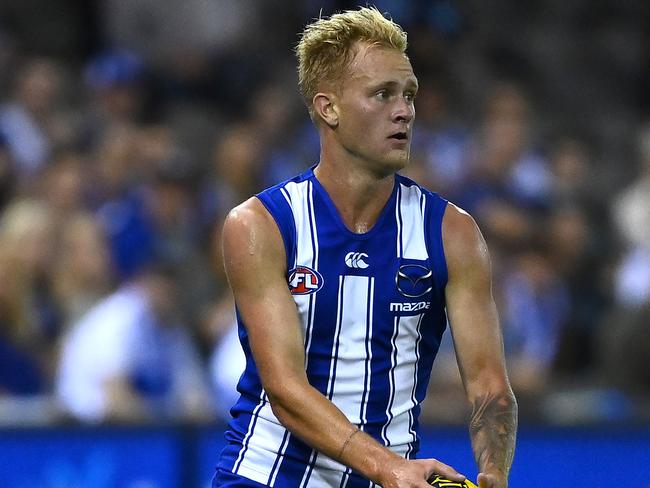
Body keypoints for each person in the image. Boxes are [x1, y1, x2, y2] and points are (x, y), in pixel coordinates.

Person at [215, 7, 517, 488]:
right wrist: (388, 467)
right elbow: (286, 390)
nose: (405, 111)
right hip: (267, 477)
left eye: (409, 94)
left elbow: (488, 387)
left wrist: (493, 474)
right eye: (382, 95)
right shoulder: (261, 225)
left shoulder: (452, 232)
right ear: (328, 108)